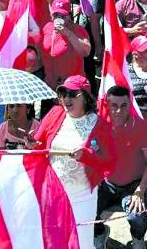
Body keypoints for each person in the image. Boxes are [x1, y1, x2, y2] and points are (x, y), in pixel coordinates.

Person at [31, 75, 115, 249]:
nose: (66, 98)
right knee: (54, 241)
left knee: (82, 243)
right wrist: (32, 143)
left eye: (72, 94)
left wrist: (86, 155)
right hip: (53, 192)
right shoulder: (55, 113)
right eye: (63, 93)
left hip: (82, 195)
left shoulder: (100, 124)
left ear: (86, 97)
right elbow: (39, 145)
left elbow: (109, 162)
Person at [95, 86, 147, 249]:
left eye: (123, 105)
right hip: (107, 183)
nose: (118, 111)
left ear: (130, 104)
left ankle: (137, 239)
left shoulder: (142, 127)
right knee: (86, 208)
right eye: (114, 105)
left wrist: (140, 191)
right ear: (107, 105)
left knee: (137, 216)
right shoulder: (99, 126)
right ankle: (100, 233)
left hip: (133, 185)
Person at [39, 0, 91, 89]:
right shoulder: (47, 27)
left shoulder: (77, 29)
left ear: (69, 16)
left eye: (63, 16)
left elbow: (86, 52)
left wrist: (68, 33)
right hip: (50, 83)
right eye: (56, 15)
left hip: (72, 85)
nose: (59, 18)